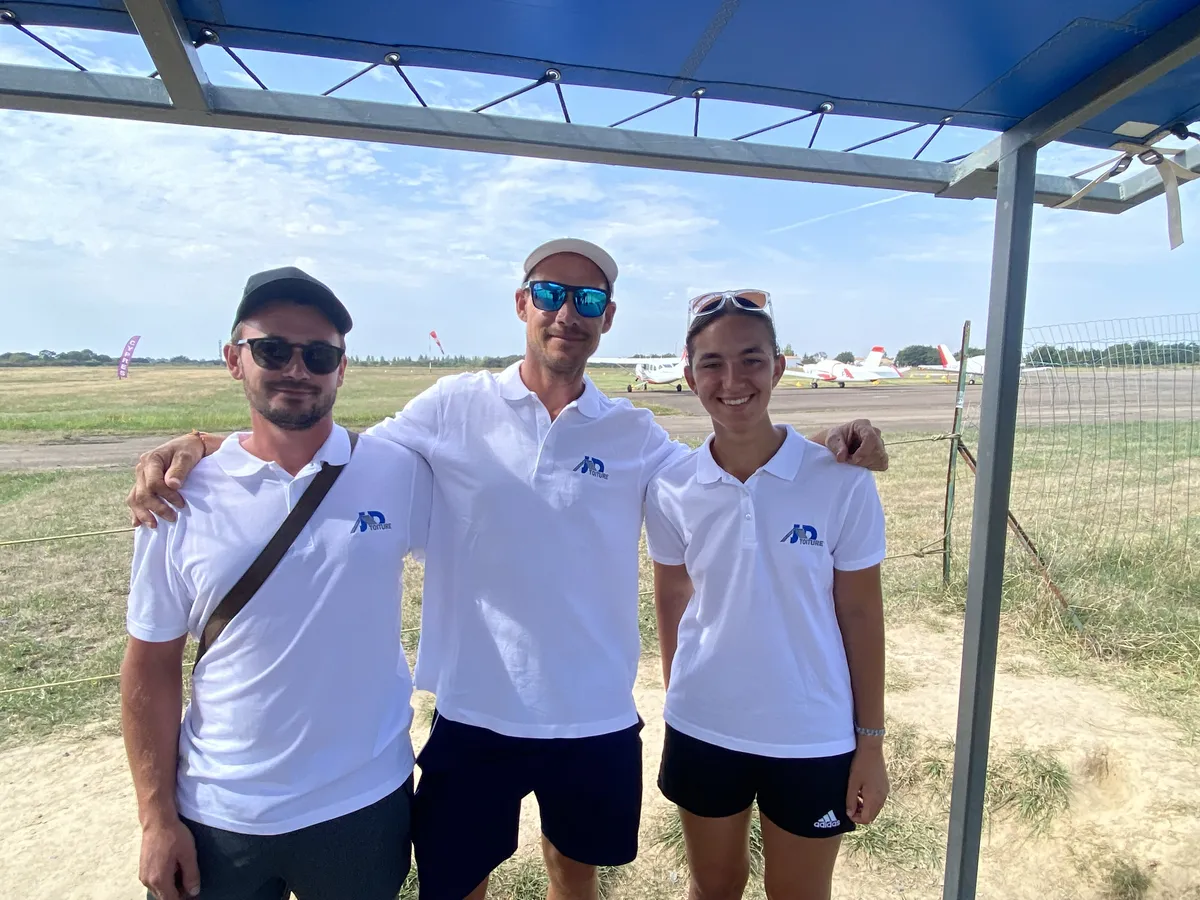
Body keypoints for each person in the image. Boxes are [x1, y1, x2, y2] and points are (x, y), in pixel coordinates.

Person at [126, 240, 890, 900]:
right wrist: (207, 445)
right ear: (523, 304)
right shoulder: (453, 405)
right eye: (551, 295)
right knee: (457, 882)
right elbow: (326, 447)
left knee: (575, 875)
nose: (567, 313)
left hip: (592, 713)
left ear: (608, 318)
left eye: (588, 299)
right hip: (473, 710)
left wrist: (828, 445)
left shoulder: (634, 434)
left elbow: (725, 465)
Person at [121, 267, 432, 900]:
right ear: (233, 359)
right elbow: (150, 663)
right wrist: (155, 819)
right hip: (218, 809)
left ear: (342, 370)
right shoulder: (177, 494)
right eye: (271, 350)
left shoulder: (398, 470)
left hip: (363, 802)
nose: (297, 369)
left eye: (318, 355)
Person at [644, 290, 889, 900]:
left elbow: (861, 612)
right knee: (714, 886)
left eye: (751, 360)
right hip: (704, 726)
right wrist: (679, 698)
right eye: (712, 364)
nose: (732, 381)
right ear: (689, 375)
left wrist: (871, 744)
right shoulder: (671, 485)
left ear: (778, 368)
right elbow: (672, 597)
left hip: (812, 733)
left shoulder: (841, 479)